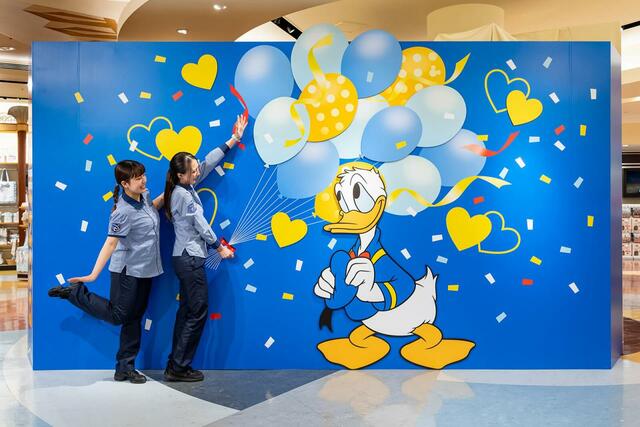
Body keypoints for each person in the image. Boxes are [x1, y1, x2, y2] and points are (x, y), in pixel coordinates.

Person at [48, 160, 164, 384]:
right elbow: (110, 244)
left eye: (144, 175)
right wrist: (92, 275)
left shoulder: (145, 196)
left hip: (146, 269)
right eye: (138, 178)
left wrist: (170, 192)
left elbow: (152, 208)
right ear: (125, 183)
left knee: (134, 318)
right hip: (126, 271)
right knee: (119, 316)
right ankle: (75, 293)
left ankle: (125, 368)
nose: (144, 180)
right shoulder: (122, 212)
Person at [162, 114, 247, 382]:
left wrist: (233, 139)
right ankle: (179, 367)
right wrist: (219, 247)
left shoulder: (184, 186)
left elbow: (208, 162)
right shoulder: (183, 194)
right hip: (190, 259)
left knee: (188, 311)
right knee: (197, 311)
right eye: (193, 170)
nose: (197, 171)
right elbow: (200, 223)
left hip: (185, 259)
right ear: (181, 175)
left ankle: (175, 364)